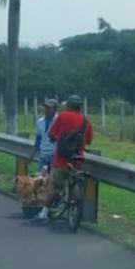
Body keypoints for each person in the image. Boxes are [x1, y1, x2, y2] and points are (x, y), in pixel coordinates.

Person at [32, 95, 93, 223]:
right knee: (75, 179)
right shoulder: (86, 121)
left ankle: (44, 213)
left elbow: (51, 134)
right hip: (77, 158)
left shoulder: (63, 116)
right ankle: (75, 208)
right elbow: (89, 141)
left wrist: (57, 140)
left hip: (61, 158)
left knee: (53, 186)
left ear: (69, 106)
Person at [28, 99, 59, 174]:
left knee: (51, 181)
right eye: (46, 108)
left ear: (55, 109)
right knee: (41, 179)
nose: (47, 110)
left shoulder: (58, 121)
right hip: (43, 155)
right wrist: (31, 155)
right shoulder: (40, 122)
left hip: (54, 155)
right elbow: (38, 140)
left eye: (49, 108)